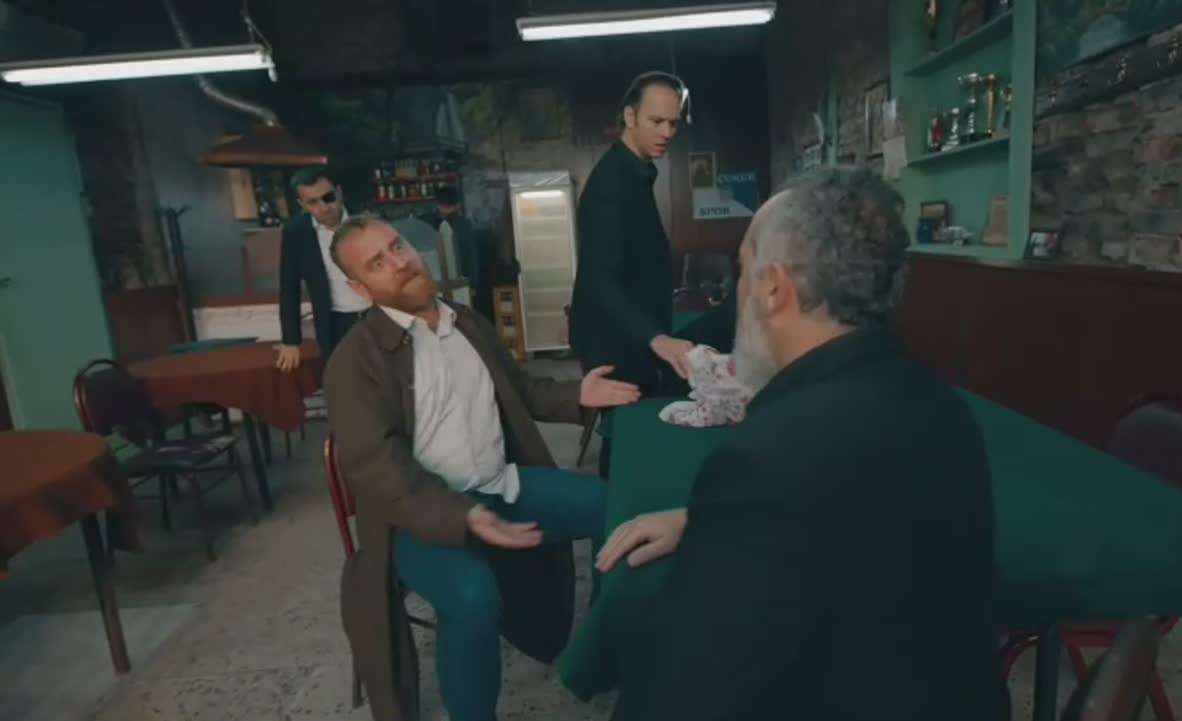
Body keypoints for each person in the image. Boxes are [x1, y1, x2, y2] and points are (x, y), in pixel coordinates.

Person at [596, 167, 1002, 721]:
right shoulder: (942, 406)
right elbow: (859, 514)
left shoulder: (767, 458)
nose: (739, 291)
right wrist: (705, 519)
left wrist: (733, 513)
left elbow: (680, 694)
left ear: (772, 288)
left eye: (743, 270)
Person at [323, 216, 640, 721]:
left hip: (501, 486)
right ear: (360, 289)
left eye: (398, 246)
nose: (400, 263)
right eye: (377, 263)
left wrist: (577, 394)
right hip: (417, 521)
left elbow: (520, 388)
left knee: (618, 510)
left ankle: (605, 647)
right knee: (473, 598)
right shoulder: (354, 361)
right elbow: (378, 468)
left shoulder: (466, 322)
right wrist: (463, 516)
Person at [570, 71, 695, 396]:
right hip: (615, 345)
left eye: (673, 123)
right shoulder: (611, 183)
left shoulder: (634, 170)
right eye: (656, 121)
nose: (666, 132)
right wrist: (656, 338)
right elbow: (600, 281)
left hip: (635, 335)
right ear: (630, 116)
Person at [276, 166, 370, 370]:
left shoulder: (367, 220)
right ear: (302, 204)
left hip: (379, 315)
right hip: (335, 324)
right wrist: (291, 340)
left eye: (328, 197)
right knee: (345, 382)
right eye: (313, 202)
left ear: (339, 192)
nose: (324, 207)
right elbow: (289, 288)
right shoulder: (296, 233)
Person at [426, 185, 491, 322]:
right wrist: (473, 284)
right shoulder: (463, 224)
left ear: (438, 204)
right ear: (457, 205)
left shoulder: (431, 224)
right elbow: (471, 257)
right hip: (460, 281)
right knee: (465, 318)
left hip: (440, 282)